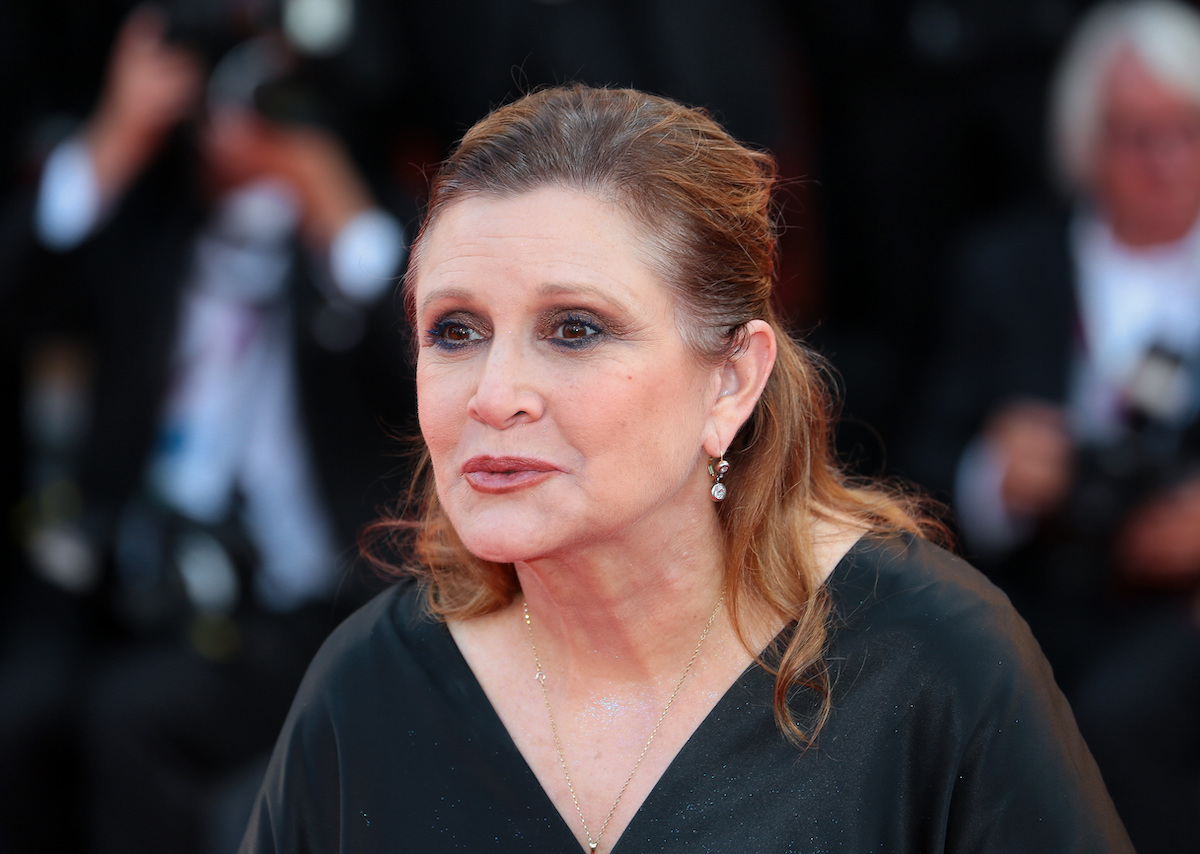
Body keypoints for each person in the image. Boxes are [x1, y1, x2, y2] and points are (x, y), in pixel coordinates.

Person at [239, 84, 1132, 854]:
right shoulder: (369, 690)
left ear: (731, 380)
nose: (494, 394)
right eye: (456, 331)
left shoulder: (927, 665)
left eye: (575, 329)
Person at [895, 3, 1200, 849]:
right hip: (1040, 594)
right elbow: (916, 469)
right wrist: (995, 474)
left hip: (1179, 617)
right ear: (1085, 141)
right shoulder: (1006, 267)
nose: (1164, 164)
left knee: (1123, 721)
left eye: (1185, 133)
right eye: (1135, 137)